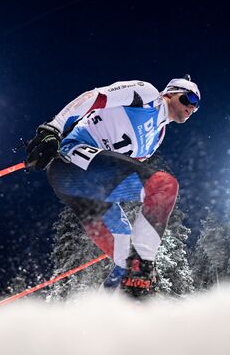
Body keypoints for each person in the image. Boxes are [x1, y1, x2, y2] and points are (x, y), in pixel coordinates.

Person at [25, 75, 201, 298]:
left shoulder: (156, 139)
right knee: (164, 186)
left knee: (127, 260)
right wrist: (54, 128)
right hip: (72, 162)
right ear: (170, 93)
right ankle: (141, 268)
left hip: (92, 192)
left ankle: (104, 315)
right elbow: (95, 97)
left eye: (196, 106)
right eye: (188, 98)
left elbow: (119, 174)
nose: (192, 107)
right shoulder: (147, 95)